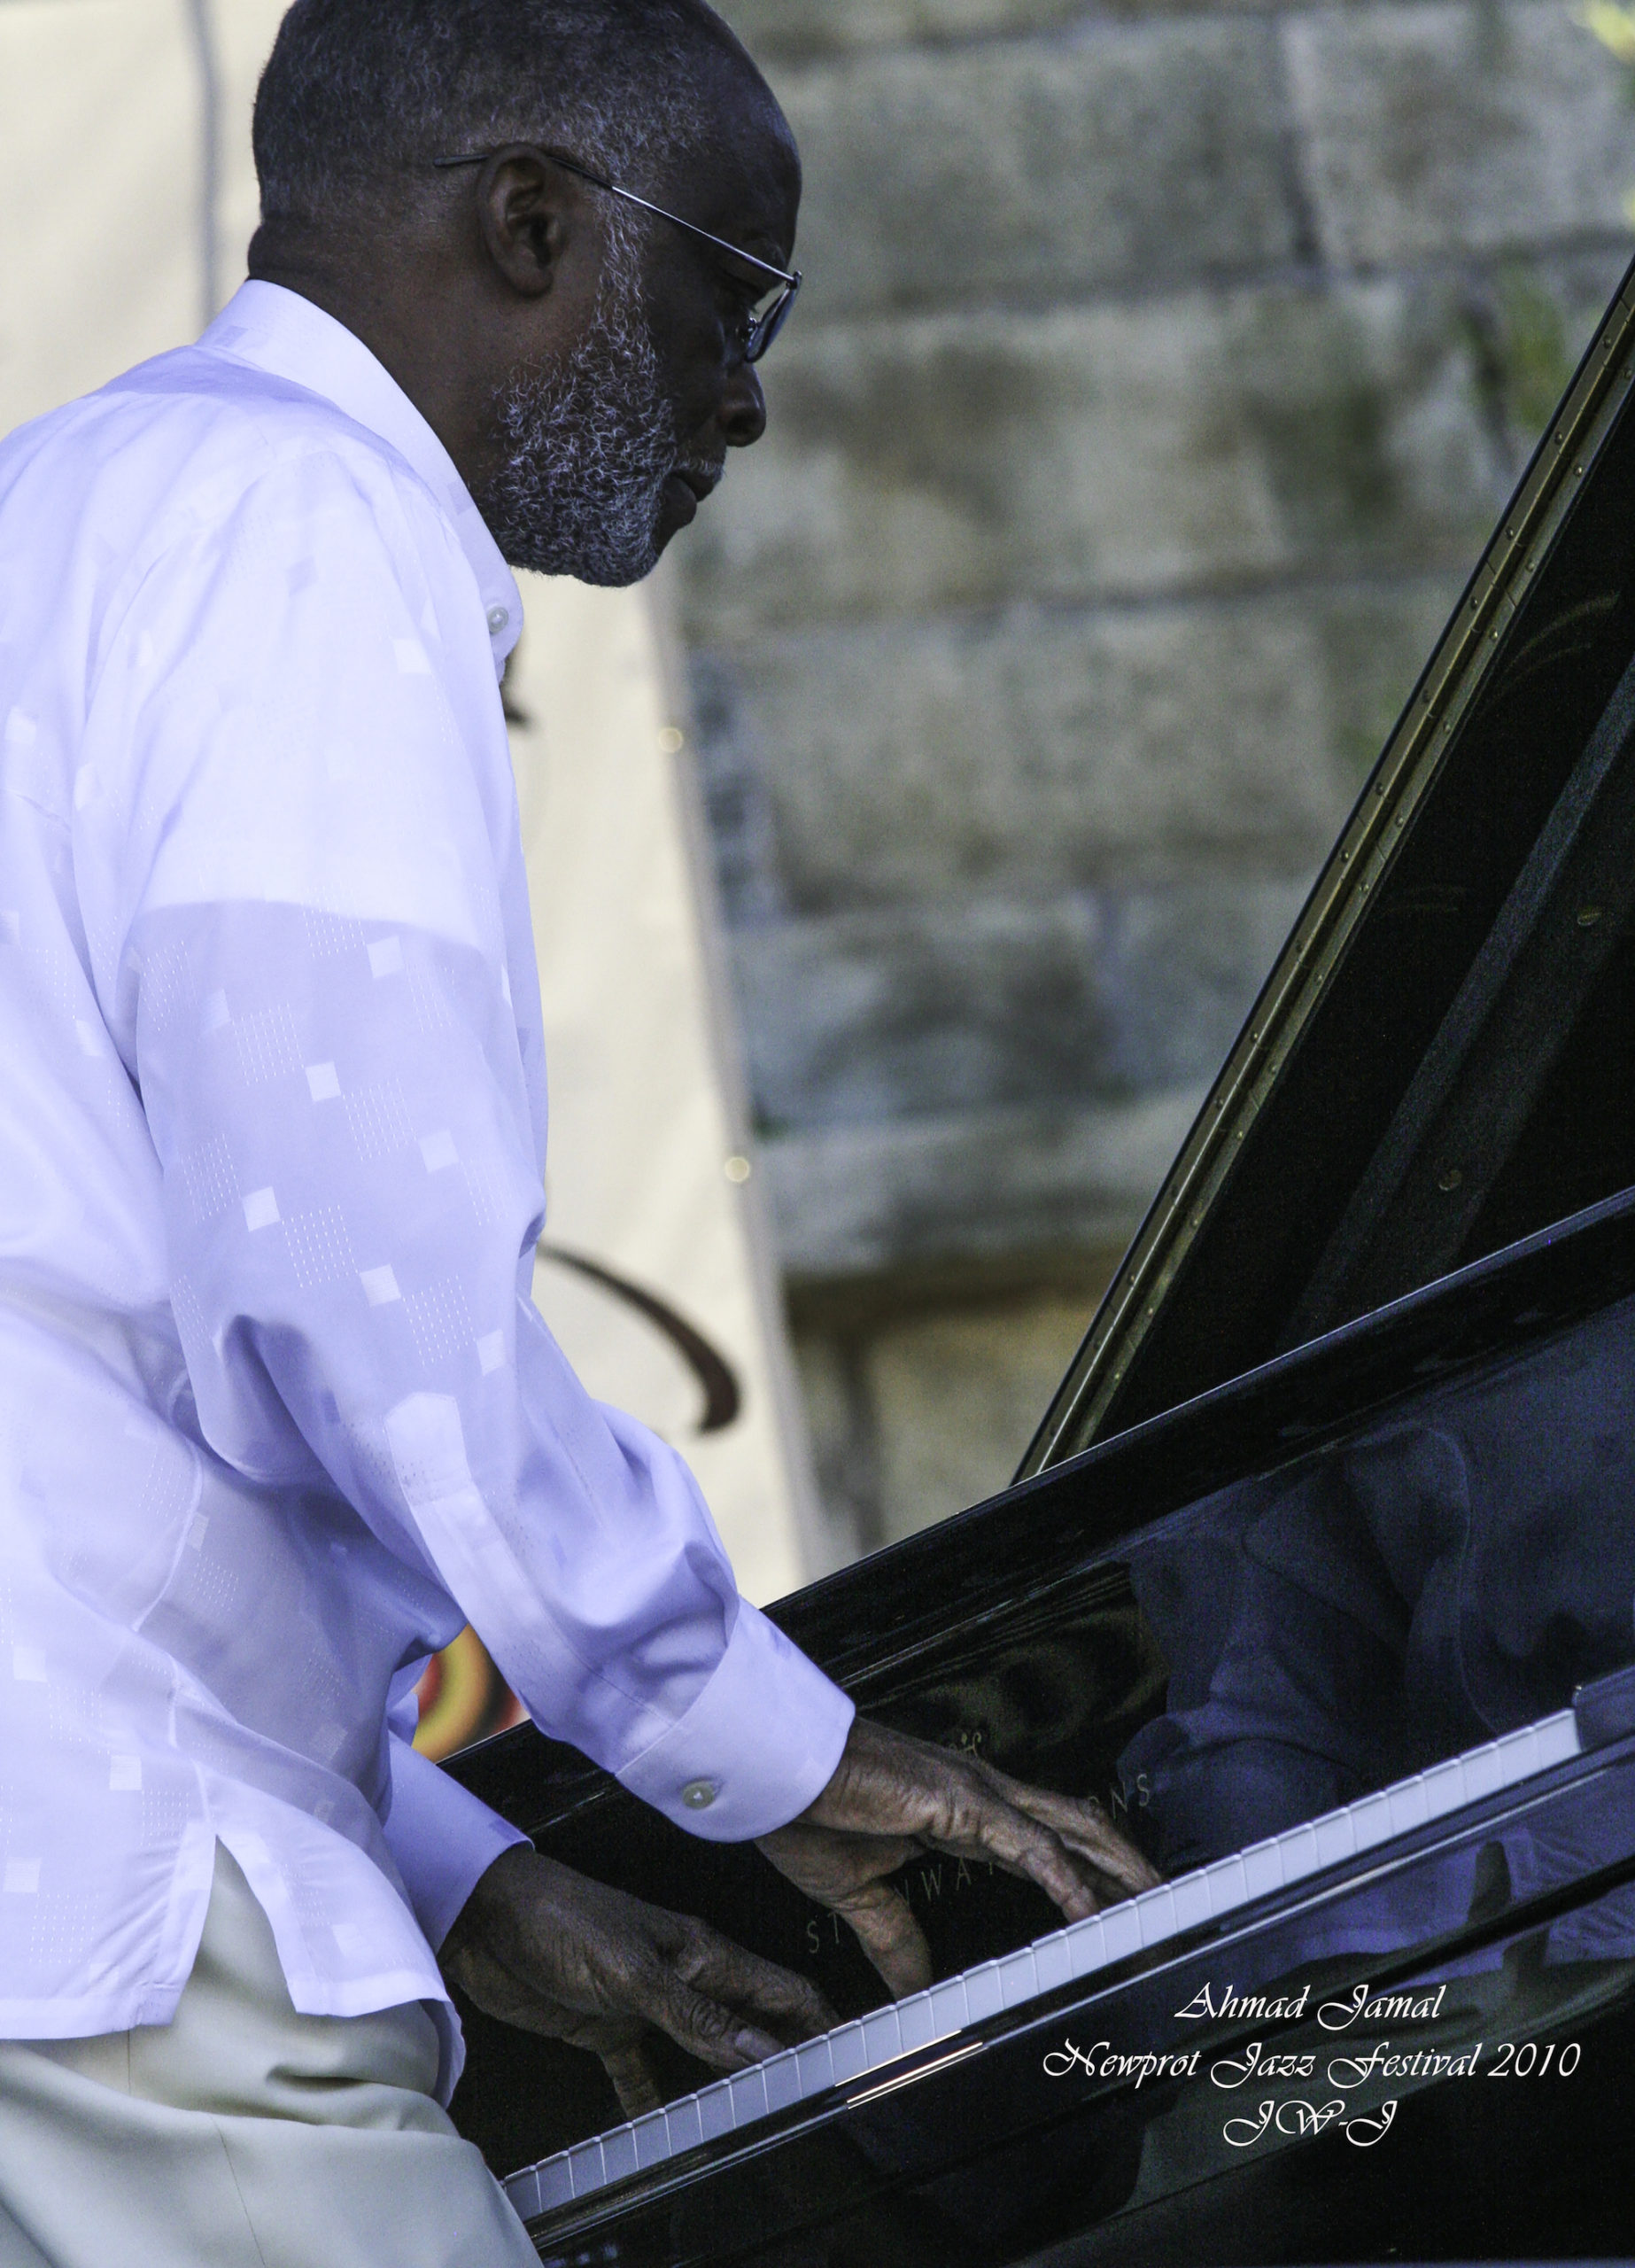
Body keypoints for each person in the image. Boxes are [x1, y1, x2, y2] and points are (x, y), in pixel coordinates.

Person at [0, 2, 1157, 2261]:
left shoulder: (62, 510)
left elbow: (73, 1396)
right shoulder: (307, 532)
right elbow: (354, 1294)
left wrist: (473, 1874)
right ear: (533, 221)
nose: (747, 392)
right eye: (736, 296)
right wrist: (768, 1736)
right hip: (110, 1925)